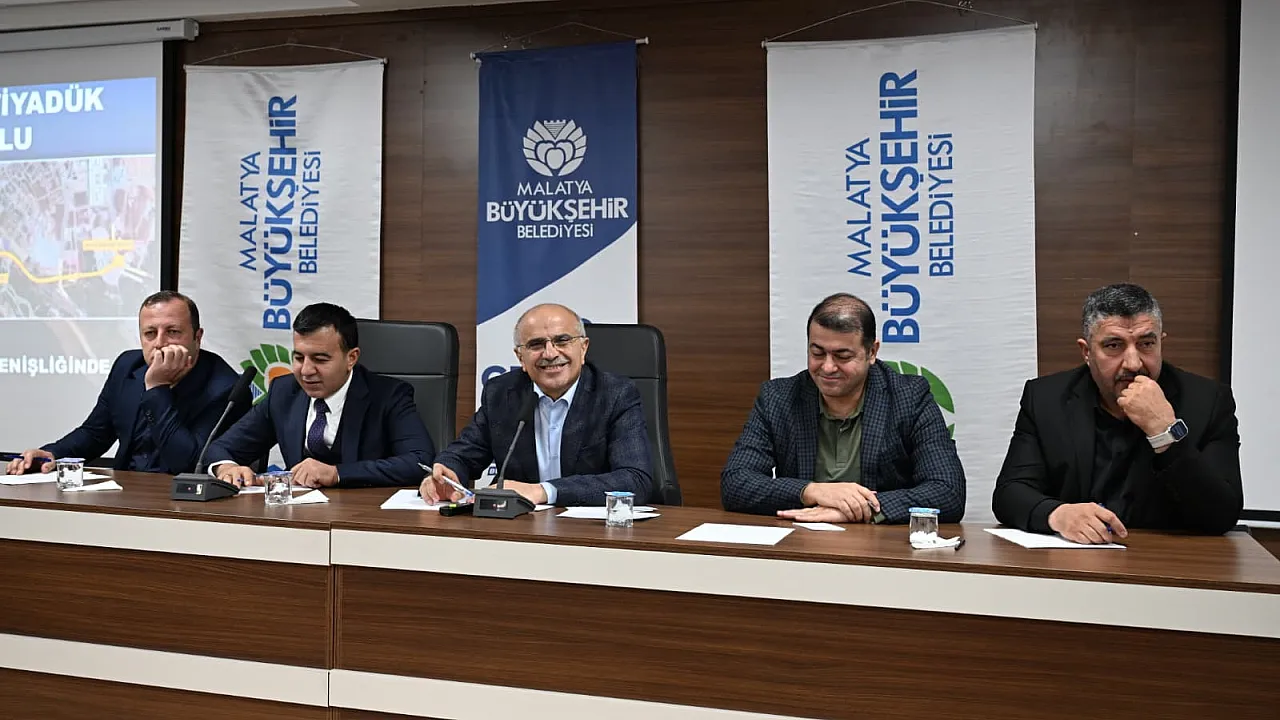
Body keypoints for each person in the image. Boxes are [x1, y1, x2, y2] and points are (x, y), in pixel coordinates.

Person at [993, 283, 1242, 543]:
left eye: (1146, 343)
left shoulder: (1208, 402)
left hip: (1168, 558)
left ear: (1161, 343)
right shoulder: (1046, 399)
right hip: (1075, 557)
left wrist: (1164, 432)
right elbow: (1009, 493)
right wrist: (1057, 514)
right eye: (1114, 346)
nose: (1133, 363)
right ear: (1087, 352)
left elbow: (1222, 516)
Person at [721, 293, 965, 524]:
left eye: (843, 356)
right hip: (800, 541)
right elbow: (736, 482)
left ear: (872, 352)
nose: (827, 367)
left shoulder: (909, 397)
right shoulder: (778, 398)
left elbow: (947, 491)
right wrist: (811, 491)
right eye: (817, 353)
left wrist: (859, 509)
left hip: (880, 542)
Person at [421, 303, 652, 506]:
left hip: (591, 529)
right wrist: (446, 473)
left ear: (583, 348)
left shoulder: (615, 394)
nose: (550, 353)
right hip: (520, 526)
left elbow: (635, 479)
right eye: (536, 344)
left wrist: (542, 491)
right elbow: (464, 454)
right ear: (520, 357)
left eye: (562, 340)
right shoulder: (501, 393)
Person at [4, 291, 241, 475]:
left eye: (173, 332)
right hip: (123, 492)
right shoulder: (128, 366)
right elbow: (95, 433)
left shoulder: (226, 388)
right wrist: (52, 454)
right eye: (150, 333)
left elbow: (189, 463)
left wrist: (157, 388)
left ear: (197, 337)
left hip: (181, 504)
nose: (159, 343)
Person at [205, 302, 435, 488]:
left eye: (320, 359)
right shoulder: (283, 392)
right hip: (298, 516)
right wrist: (227, 468)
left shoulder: (389, 396)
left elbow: (420, 461)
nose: (306, 370)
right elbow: (219, 448)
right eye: (299, 358)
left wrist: (337, 474)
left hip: (364, 516)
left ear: (351, 358)